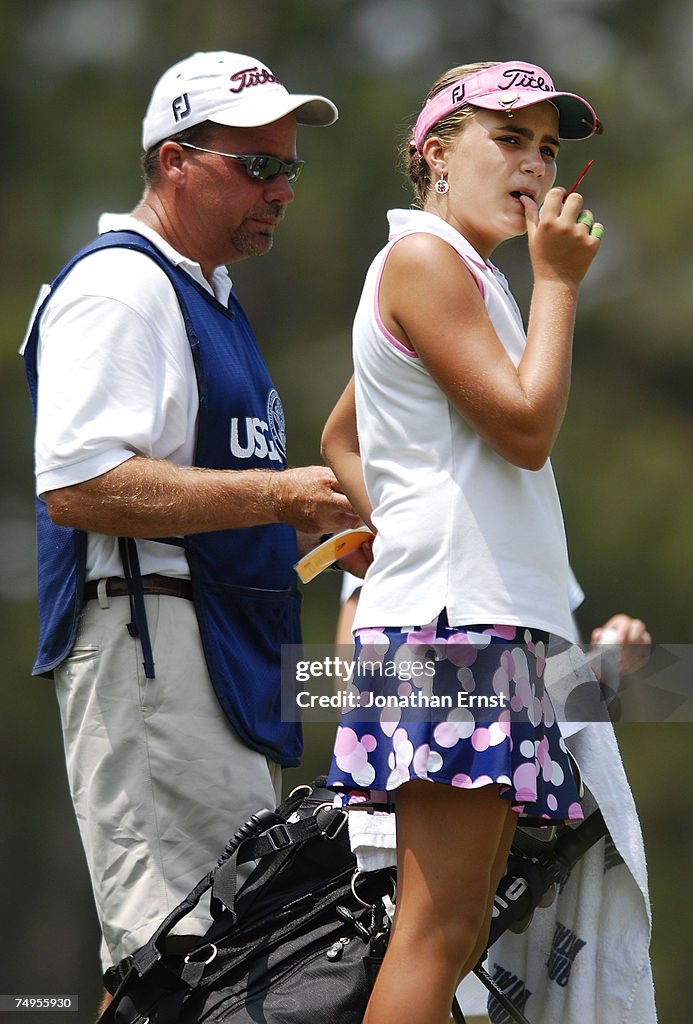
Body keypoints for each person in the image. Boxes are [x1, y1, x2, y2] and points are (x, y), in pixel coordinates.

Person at [20, 50, 361, 979]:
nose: (281, 190)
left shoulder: (209, 293)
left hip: (215, 654)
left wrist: (322, 535)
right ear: (175, 160)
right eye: (257, 165)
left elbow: (218, 499)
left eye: (288, 167)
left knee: (223, 962)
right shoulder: (121, 285)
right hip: (151, 647)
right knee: (180, 964)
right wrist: (275, 493)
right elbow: (81, 486)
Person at [320, 60, 605, 1024]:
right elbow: (527, 427)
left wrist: (396, 523)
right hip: (452, 628)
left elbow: (342, 441)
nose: (533, 164)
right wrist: (558, 283)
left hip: (471, 623)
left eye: (547, 148)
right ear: (436, 152)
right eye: (508, 138)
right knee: (436, 933)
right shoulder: (427, 261)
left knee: (457, 932)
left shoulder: (462, 271)